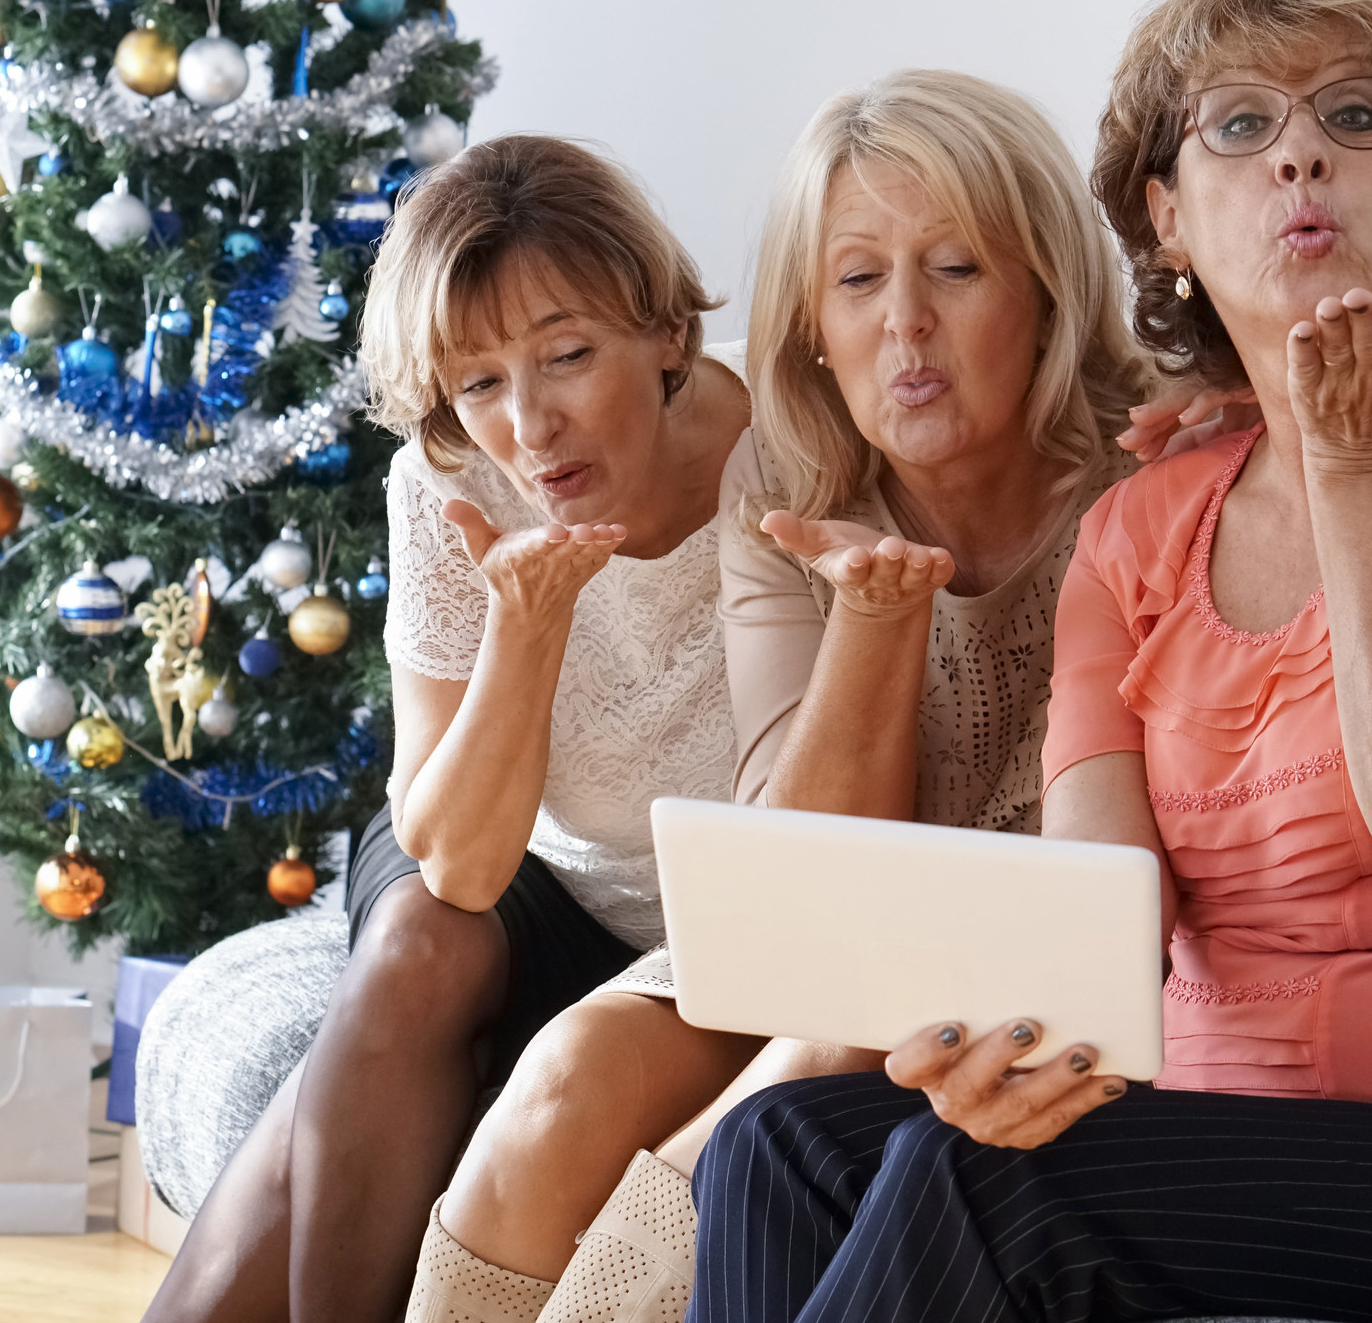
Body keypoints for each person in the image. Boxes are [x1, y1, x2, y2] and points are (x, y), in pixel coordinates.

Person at [686, 0, 1372, 1323]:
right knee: (780, 1144)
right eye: (1240, 125)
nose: (1298, 159)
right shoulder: (1138, 532)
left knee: (993, 1192)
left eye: (1356, 117)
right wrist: (1008, 1048)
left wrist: (1358, 466)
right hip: (1226, 1153)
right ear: (1168, 218)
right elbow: (1092, 932)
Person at [406, 70, 1154, 1323]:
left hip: (1040, 944)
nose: (904, 326)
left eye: (957, 269)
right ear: (811, 319)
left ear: (1048, 290)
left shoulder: (1162, 461)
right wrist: (874, 620)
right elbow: (799, 885)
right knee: (568, 1074)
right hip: (839, 920)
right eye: (859, 281)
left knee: (798, 1080)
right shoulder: (787, 482)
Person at [141, 134, 758, 1323]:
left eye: (568, 355)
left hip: (702, 923)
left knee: (300, 1143)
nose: (529, 425)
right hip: (502, 859)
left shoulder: (793, 444)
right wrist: (527, 625)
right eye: (478, 383)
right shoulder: (445, 480)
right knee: (425, 937)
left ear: (668, 335)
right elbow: (459, 860)